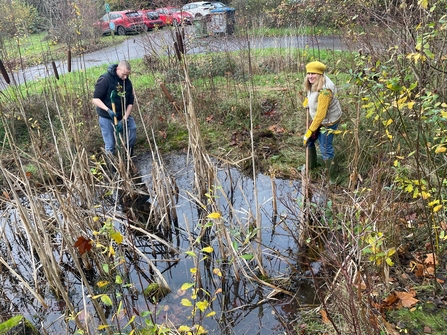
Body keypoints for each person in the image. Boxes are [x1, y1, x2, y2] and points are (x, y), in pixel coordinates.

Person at [302, 61, 342, 184]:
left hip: (328, 121)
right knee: (309, 141)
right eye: (308, 73)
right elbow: (311, 95)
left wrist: (310, 130)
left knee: (325, 148)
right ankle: (312, 166)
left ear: (320, 74)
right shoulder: (313, 82)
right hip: (319, 119)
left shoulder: (325, 90)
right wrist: (307, 102)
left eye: (313, 73)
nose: (310, 76)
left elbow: (321, 115)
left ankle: (334, 178)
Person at [92, 60, 137, 158]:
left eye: (127, 75)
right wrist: (108, 110)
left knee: (132, 130)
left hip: (122, 115)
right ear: (118, 69)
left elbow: (130, 102)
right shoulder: (105, 79)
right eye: (124, 74)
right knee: (110, 144)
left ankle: (127, 158)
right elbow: (95, 99)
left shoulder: (127, 83)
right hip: (106, 116)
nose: (125, 77)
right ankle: (112, 167)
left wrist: (124, 119)